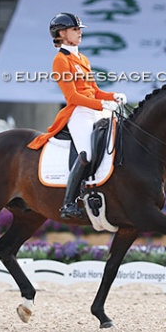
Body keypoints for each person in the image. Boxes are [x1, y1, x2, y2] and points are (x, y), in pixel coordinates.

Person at [27, 12, 126, 219]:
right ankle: (69, 202)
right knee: (86, 153)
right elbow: (72, 96)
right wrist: (101, 103)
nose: (79, 33)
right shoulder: (61, 61)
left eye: (79, 29)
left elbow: (95, 90)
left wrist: (113, 96)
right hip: (78, 112)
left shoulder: (83, 59)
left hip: (95, 108)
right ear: (61, 33)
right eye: (75, 29)